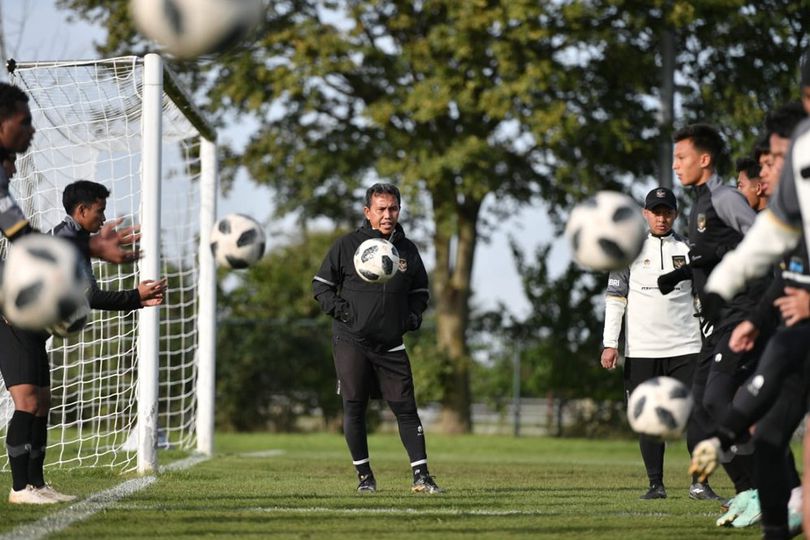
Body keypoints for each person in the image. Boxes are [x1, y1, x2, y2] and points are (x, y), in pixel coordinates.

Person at [690, 100, 810, 539]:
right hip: (795, 338)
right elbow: (782, 276)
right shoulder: (788, 215)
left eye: (776, 159)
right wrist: (755, 319)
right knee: (770, 438)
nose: (767, 173)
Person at [312, 183, 439, 494]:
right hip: (351, 340)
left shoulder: (408, 250)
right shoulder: (346, 246)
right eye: (381, 209)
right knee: (354, 406)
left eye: (393, 208)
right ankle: (365, 478)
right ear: (367, 212)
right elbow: (321, 287)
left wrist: (412, 316)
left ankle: (421, 477)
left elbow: (420, 291)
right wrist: (345, 313)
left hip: (391, 344)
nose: (387, 215)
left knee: (406, 408)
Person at [668, 123, 767, 506]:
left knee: (720, 401)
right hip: (715, 322)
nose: (676, 165)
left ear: (704, 159)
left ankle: (765, 486)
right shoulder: (698, 204)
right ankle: (746, 493)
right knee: (704, 410)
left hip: (740, 314)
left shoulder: (724, 197)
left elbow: (763, 241)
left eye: (682, 157)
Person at [600, 187, 702, 499]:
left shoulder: (689, 249)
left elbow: (702, 298)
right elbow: (616, 301)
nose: (661, 217)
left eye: (667, 211)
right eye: (655, 211)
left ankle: (700, 483)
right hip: (642, 349)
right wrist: (610, 343)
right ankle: (655, 485)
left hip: (687, 346)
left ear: (675, 214)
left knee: (697, 414)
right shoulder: (628, 251)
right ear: (645, 214)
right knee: (648, 418)